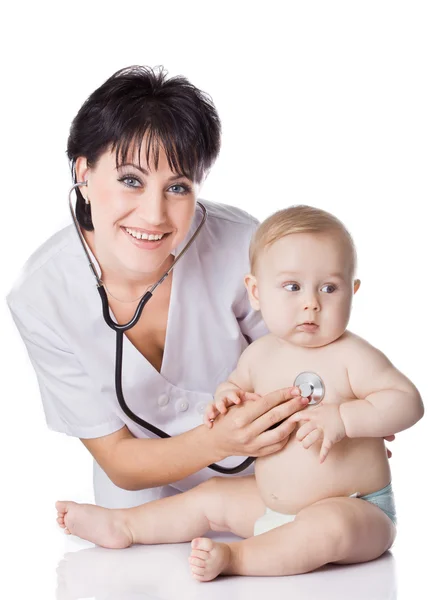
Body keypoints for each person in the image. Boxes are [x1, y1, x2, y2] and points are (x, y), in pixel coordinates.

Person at [54, 205, 424, 582]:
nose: (311, 302)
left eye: (329, 287)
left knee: (329, 527)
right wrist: (225, 399)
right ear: (256, 292)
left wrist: (347, 418)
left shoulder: (352, 355)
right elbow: (234, 386)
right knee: (213, 496)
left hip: (356, 509)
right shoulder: (260, 354)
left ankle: (237, 558)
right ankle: (125, 526)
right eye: (292, 287)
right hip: (271, 504)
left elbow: (408, 402)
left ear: (352, 290)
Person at [6, 65, 310, 509]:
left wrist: (349, 407)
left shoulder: (244, 244)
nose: (154, 215)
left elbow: (308, 357)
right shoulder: (40, 298)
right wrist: (218, 440)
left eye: (178, 187)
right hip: (141, 494)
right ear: (84, 174)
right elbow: (117, 458)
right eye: (131, 180)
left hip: (269, 470)